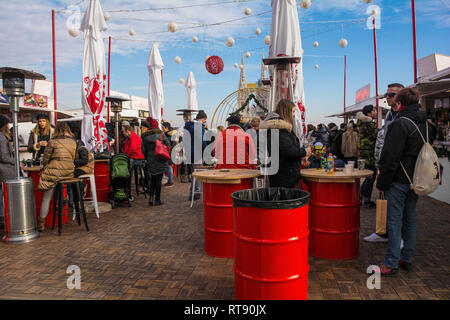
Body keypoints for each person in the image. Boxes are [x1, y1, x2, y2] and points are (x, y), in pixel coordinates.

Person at [376, 88, 437, 276]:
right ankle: (406, 257)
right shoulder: (427, 125)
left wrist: (382, 181)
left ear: (400, 103)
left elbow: (390, 156)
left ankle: (391, 262)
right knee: (410, 219)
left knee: (394, 221)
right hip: (418, 177)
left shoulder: (400, 124)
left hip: (400, 178)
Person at [366, 83, 405, 243]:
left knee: (399, 206)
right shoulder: (390, 115)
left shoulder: (404, 116)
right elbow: (383, 140)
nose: (387, 97)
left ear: (401, 96)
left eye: (391, 95)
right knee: (386, 202)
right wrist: (379, 165)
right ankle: (383, 232)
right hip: (386, 165)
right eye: (386, 94)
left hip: (399, 168)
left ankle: (400, 238)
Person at [259, 99, 311, 188]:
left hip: (280, 174)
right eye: (293, 112)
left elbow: (282, 152)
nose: (294, 115)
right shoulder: (280, 129)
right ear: (286, 111)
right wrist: (305, 152)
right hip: (284, 176)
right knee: (284, 200)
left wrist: (298, 160)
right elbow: (289, 151)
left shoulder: (276, 128)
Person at [37, 122, 77, 232]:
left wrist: (46, 165)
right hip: (68, 172)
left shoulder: (52, 141)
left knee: (46, 197)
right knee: (57, 181)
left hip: (55, 171)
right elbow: (73, 157)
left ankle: (41, 223)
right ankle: (63, 199)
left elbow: (45, 159)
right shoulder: (73, 142)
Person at [141, 117, 170, 206]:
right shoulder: (161, 134)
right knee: (158, 180)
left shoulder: (145, 136)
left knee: (152, 179)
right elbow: (168, 145)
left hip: (150, 160)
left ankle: (151, 198)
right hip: (160, 159)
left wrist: (147, 157)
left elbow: (143, 150)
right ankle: (157, 199)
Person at [356, 104, 378, 207]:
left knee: (369, 176)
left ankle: (360, 195)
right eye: (374, 111)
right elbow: (375, 135)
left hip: (364, 152)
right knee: (371, 176)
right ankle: (366, 198)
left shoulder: (362, 122)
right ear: (369, 113)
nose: (376, 112)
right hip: (369, 152)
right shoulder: (368, 123)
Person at [184, 110, 208, 200]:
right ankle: (195, 193)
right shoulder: (198, 126)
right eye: (204, 120)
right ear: (202, 119)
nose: (205, 122)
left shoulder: (189, 126)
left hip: (189, 152)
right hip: (196, 153)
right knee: (198, 173)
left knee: (194, 173)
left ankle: (194, 192)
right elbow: (201, 141)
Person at [0, 116, 15, 222]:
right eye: (7, 124)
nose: (9, 126)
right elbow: (3, 156)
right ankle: (3, 218)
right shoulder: (1, 138)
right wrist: (16, 162)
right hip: (5, 171)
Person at [162, 121, 176, 188]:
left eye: (163, 128)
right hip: (171, 152)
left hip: (168, 153)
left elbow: (169, 144)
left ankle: (170, 182)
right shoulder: (172, 133)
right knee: (169, 167)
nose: (162, 129)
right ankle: (170, 181)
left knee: (169, 167)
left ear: (166, 128)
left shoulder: (167, 134)